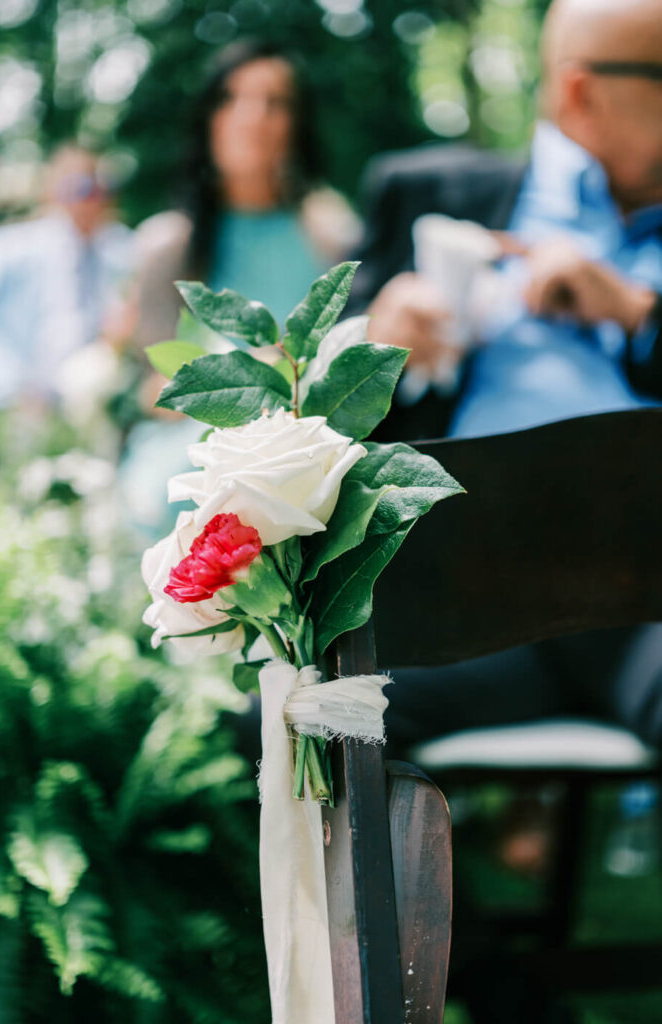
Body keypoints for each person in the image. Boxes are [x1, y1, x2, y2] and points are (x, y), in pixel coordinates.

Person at [342, 0, 662, 757]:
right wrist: (376, 349)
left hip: (648, 605)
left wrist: (636, 313)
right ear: (583, 90)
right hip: (468, 601)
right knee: (309, 718)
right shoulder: (424, 193)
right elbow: (319, 414)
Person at [121, 39, 360, 535]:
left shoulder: (329, 233)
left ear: (296, 124)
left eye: (274, 102)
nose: (253, 117)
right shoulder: (168, 246)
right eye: (233, 98)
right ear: (210, 116)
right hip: (194, 446)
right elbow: (150, 390)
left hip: (306, 439)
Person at [0, 145, 133, 407]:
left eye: (102, 188)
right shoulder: (8, 249)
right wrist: (16, 391)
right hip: (15, 403)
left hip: (92, 402)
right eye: (81, 188)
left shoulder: (121, 251)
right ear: (53, 191)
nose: (93, 200)